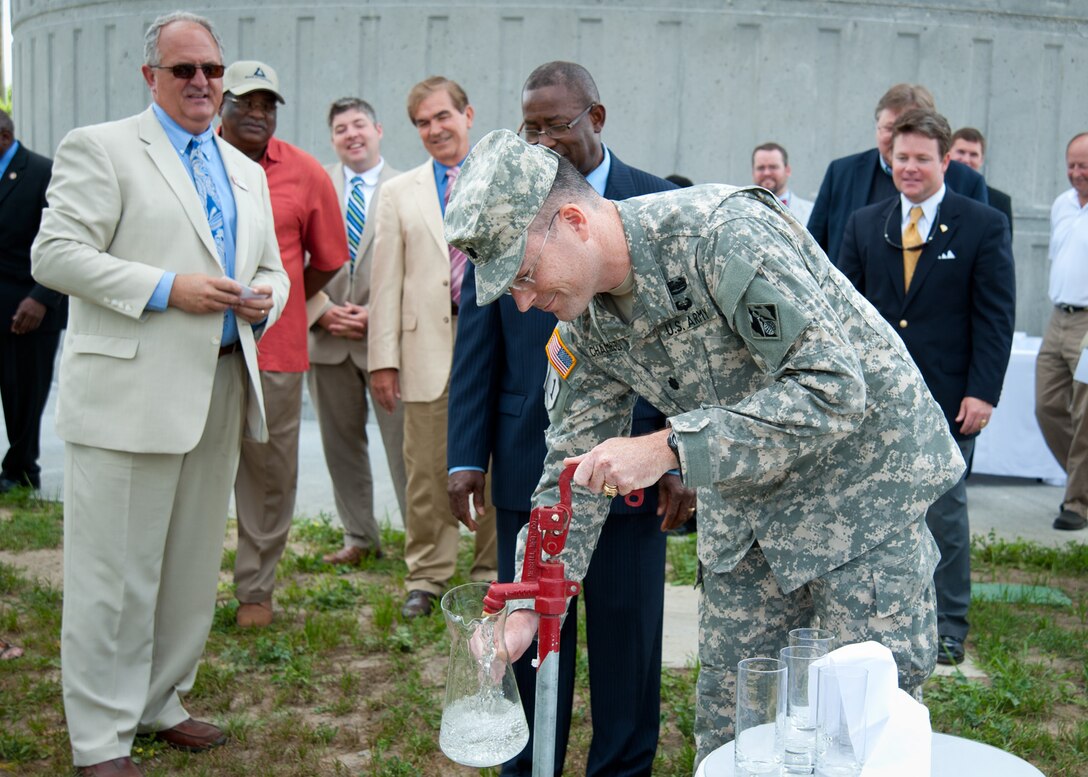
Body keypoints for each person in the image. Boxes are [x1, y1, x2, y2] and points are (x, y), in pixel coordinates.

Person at [444, 129, 964, 766]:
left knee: (858, 737)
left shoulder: (720, 236)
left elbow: (833, 388)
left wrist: (666, 448)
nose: (522, 303)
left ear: (574, 221)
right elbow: (567, 473)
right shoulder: (583, 317)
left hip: (860, 505)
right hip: (746, 522)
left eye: (524, 276)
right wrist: (529, 599)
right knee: (735, 734)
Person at [31, 12, 289, 776]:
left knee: (184, 566)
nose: (204, 83)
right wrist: (166, 288)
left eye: (212, 69)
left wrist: (264, 296)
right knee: (115, 576)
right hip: (128, 395)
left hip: (217, 385)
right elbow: (56, 255)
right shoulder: (102, 148)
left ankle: (159, 700)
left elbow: (271, 267)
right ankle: (100, 737)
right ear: (152, 78)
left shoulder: (245, 168)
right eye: (185, 71)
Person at [446, 61, 692, 777]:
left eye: (559, 123)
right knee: (530, 632)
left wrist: (679, 457)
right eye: (532, 126)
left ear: (598, 118)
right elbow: (478, 336)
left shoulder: (660, 204)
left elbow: (696, 354)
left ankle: (621, 767)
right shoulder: (508, 212)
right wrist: (468, 451)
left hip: (643, 473)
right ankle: (529, 763)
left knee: (628, 645)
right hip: (536, 459)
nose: (545, 138)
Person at [838, 109, 1015, 665]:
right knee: (874, 511)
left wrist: (983, 392)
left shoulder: (982, 224)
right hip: (877, 401)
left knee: (944, 511)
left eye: (921, 158)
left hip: (950, 398)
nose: (909, 168)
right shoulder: (866, 223)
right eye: (901, 157)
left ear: (945, 162)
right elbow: (846, 313)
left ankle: (949, 623)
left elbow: (994, 317)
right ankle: (881, 617)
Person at [218, 61, 347, 628]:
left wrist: (286, 298)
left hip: (276, 351)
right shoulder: (193, 163)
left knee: (270, 475)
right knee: (193, 467)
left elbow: (330, 258)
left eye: (267, 104)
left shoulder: (304, 171)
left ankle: (255, 589)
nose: (257, 113)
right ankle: (182, 588)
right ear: (220, 105)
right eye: (245, 102)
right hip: (194, 347)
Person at [368, 76, 497, 619]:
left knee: (494, 462)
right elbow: (384, 282)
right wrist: (383, 359)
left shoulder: (500, 179)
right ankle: (427, 574)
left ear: (467, 115)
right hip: (425, 347)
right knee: (425, 469)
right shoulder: (399, 193)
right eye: (422, 122)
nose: (434, 129)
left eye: (442, 116)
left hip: (492, 340)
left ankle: (492, 571)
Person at [310, 97, 408, 566]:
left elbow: (422, 268)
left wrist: (379, 315)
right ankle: (358, 538)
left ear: (379, 129)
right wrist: (320, 309)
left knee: (405, 447)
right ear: (332, 139)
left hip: (386, 343)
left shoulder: (408, 188)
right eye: (340, 128)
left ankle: (422, 544)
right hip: (326, 340)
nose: (351, 134)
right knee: (341, 446)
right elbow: (292, 255)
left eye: (359, 125)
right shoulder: (316, 185)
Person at [808, 83, 989, 264]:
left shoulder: (967, 182)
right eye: (889, 128)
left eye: (910, 129)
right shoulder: (842, 173)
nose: (898, 138)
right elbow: (811, 249)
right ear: (877, 126)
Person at [0, 108, 63, 493]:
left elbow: (67, 242)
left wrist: (43, 297)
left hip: (30, 310)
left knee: (24, 395)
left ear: (3, 137)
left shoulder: (44, 172)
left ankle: (22, 474)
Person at [1035, 132, 1088, 532]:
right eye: (1071, 164)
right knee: (1048, 406)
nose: (1076, 173)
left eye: (1084, 165)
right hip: (1058, 317)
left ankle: (1078, 502)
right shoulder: (1061, 205)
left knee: (1085, 413)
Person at [950, 127, 1014, 236]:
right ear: (948, 154)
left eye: (973, 154)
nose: (966, 159)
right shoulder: (936, 193)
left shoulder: (1001, 201)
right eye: (961, 152)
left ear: (981, 160)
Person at [751, 142, 813, 225]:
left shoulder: (811, 211)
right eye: (761, 168)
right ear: (753, 172)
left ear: (787, 170)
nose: (767, 173)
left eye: (773, 167)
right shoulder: (739, 210)